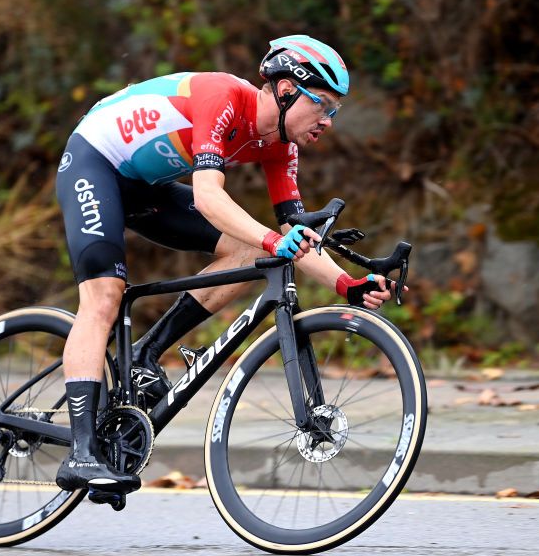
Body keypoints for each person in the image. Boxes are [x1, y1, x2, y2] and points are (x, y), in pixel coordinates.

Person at [53, 35, 399, 494]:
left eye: (334, 112)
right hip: (94, 164)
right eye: (323, 105)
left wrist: (346, 285)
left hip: (143, 187)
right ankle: (80, 454)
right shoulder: (222, 97)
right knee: (103, 298)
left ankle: (144, 355)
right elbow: (208, 196)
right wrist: (276, 238)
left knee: (249, 251)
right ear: (285, 89)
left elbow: (295, 240)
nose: (328, 121)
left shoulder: (281, 146)